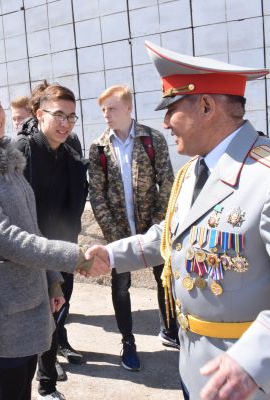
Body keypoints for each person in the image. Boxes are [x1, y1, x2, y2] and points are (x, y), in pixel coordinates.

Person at [86, 41, 270, 399]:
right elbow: (173, 235)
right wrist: (112, 255)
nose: (165, 123)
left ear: (205, 106)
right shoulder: (192, 171)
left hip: (252, 379)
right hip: (195, 365)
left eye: (171, 109)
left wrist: (255, 360)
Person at [0, 78, 107, 400]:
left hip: (31, 294)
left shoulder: (5, 158)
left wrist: (53, 281)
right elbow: (5, 238)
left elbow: (31, 226)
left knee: (24, 388)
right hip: (5, 303)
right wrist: (74, 256)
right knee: (12, 390)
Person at [88, 85, 177, 371]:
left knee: (164, 280)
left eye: (112, 108)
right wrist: (113, 235)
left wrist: (157, 226)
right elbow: (97, 194)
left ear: (128, 108)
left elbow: (167, 184)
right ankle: (128, 341)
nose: (106, 114)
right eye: (103, 110)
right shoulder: (99, 147)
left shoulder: (152, 139)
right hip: (118, 233)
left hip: (153, 228)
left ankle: (170, 329)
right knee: (121, 287)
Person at [15, 82, 89, 399]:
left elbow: (73, 208)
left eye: (71, 117)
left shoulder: (70, 153)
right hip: (29, 252)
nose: (65, 123)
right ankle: (43, 382)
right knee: (36, 322)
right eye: (59, 115)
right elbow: (18, 212)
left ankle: (47, 382)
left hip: (63, 250)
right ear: (39, 114)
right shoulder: (22, 151)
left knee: (56, 313)